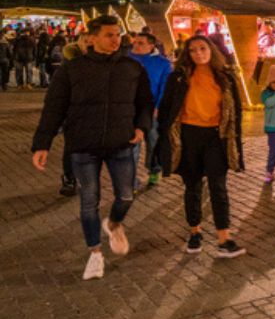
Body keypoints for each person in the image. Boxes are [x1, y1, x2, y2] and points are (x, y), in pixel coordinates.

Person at [31, 15, 153, 280]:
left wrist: (141, 127)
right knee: (89, 201)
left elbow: (145, 102)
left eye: (118, 34)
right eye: (109, 34)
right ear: (92, 38)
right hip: (83, 145)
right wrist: (42, 143)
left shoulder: (132, 68)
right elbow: (54, 108)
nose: (115, 39)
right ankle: (95, 253)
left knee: (126, 195)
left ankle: (114, 223)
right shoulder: (71, 69)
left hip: (121, 142)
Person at [158, 36, 246, 258]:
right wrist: (164, 138)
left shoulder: (225, 77)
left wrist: (234, 140)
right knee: (193, 185)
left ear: (212, 50)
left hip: (216, 137)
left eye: (202, 48)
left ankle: (224, 238)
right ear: (187, 53)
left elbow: (236, 111)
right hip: (188, 136)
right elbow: (167, 109)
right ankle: (195, 231)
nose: (198, 53)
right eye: (193, 50)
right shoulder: (179, 77)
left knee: (218, 186)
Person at [128, 31, 173, 188]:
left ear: (151, 45)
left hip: (152, 109)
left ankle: (154, 169)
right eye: (135, 42)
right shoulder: (125, 59)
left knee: (153, 141)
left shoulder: (163, 63)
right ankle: (131, 181)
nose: (136, 45)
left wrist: (158, 107)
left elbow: (166, 87)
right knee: (132, 145)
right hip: (130, 109)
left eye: (141, 43)